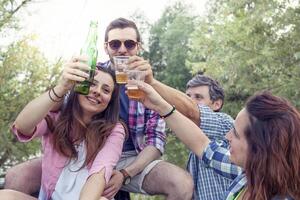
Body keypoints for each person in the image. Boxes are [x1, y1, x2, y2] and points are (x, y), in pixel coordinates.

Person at [4, 17, 194, 200]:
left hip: (130, 158)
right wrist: (62, 85)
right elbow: (59, 109)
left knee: (181, 183)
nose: (122, 49)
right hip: (82, 150)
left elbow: (156, 142)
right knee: (17, 176)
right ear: (106, 47)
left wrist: (125, 173)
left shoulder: (149, 87)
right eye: (115, 44)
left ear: (138, 47)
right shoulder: (92, 73)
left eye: (129, 44)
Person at [128, 79, 300, 200]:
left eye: (236, 133)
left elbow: (192, 113)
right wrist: (159, 105)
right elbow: (203, 145)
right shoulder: (248, 173)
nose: (227, 136)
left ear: (259, 148)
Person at [0, 63, 126, 200]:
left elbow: (99, 175)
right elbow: (22, 126)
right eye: (91, 84)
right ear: (78, 87)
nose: (97, 91)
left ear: (110, 102)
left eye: (106, 90)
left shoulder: (114, 130)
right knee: (5, 196)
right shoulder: (58, 117)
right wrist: (62, 87)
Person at [185, 74, 233, 199]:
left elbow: (190, 110)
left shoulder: (225, 124)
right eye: (188, 97)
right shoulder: (193, 145)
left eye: (198, 97)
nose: (190, 102)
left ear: (216, 104)